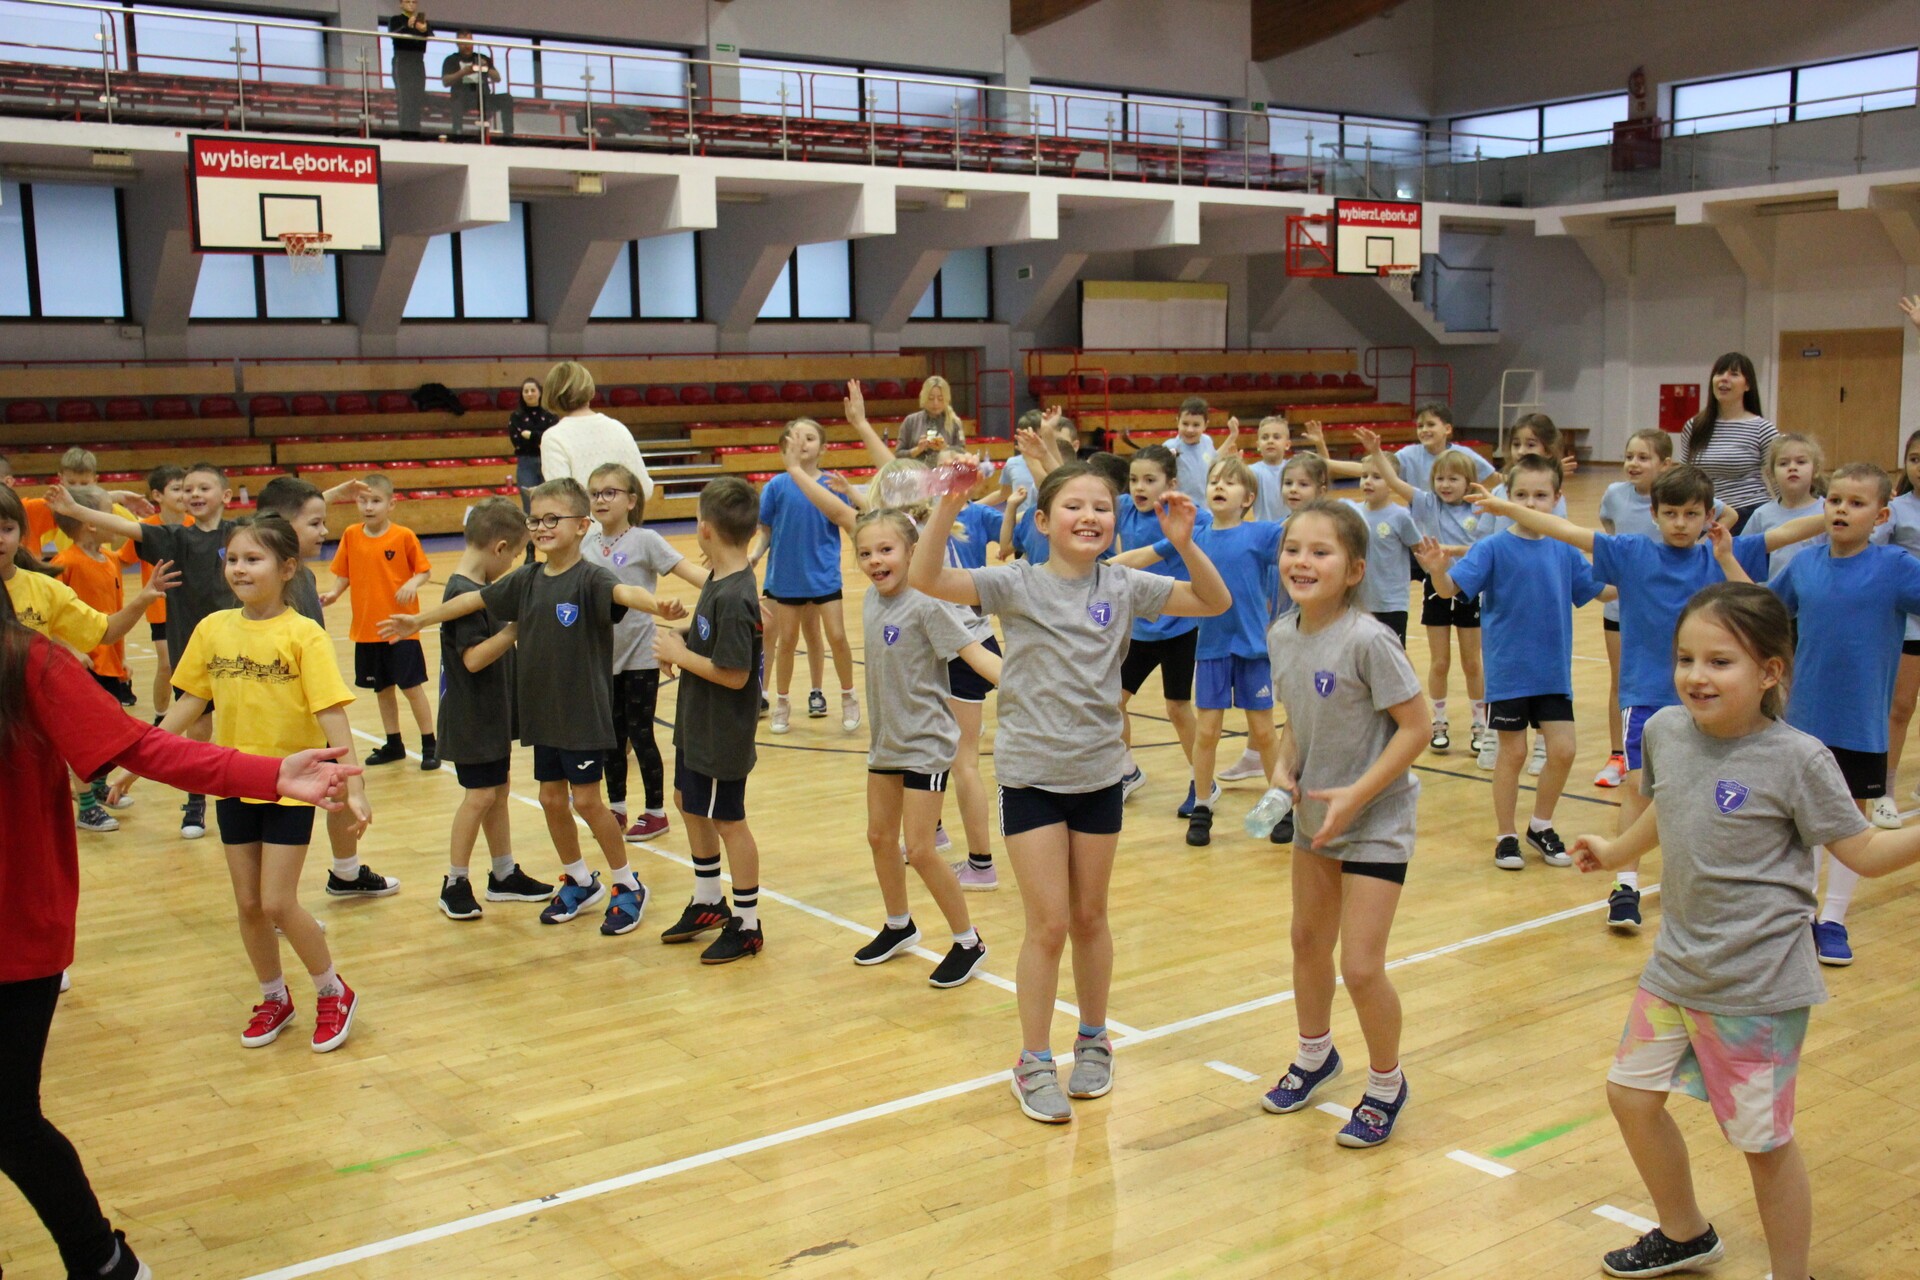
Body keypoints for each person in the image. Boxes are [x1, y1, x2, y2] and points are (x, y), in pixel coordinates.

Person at [0, 583, 361, 1280]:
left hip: (15, 932)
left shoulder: (28, 662)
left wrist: (270, 773)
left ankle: (104, 1262)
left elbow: (146, 747)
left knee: (10, 1120)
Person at [1568, 582, 1920, 1280]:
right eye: (1686, 658)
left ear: (1769, 673)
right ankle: (1685, 1233)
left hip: (1757, 987)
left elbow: (1866, 853)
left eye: (1720, 661)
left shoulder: (1799, 759)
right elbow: (1668, 804)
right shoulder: (1667, 731)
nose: (1697, 676)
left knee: (1762, 1142)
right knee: (1630, 1096)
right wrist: (1616, 852)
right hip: (1676, 968)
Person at [909, 459, 1230, 1124]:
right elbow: (927, 577)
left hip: (1099, 777)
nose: (1090, 516)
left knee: (1090, 918)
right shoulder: (1017, 582)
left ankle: (1093, 1039)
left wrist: (1183, 542)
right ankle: (1032, 1061)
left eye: (1102, 507)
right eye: (1074, 506)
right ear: (1044, 521)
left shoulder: (1125, 584)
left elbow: (1213, 602)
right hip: (1031, 776)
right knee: (1049, 924)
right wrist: (948, 505)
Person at [1473, 464, 1824, 931]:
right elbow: (1565, 530)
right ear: (1654, 514)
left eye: (1691, 514)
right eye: (1671, 513)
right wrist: (1506, 507)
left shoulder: (1721, 553)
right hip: (1646, 693)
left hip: (1711, 697)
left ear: (1708, 516)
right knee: (1641, 787)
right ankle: (1625, 884)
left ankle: (1708, 879)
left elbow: (1783, 535)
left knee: (1714, 791)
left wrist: (1837, 513)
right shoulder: (1632, 552)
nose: (1680, 523)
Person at [380, 478, 685, 937]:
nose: (541, 527)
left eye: (552, 519)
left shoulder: (592, 578)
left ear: (582, 526)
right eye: (535, 519)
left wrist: (658, 604)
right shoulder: (526, 579)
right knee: (550, 799)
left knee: (587, 801)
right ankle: (579, 878)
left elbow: (625, 594)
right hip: (545, 715)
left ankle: (627, 882)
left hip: (583, 714)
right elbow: (471, 599)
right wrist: (418, 620)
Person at [126, 518, 371, 1053]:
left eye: (253, 559)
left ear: (287, 569)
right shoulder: (213, 628)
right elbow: (190, 702)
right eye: (232, 559)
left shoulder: (303, 634)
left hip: (293, 786)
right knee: (248, 902)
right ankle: (273, 996)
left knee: (278, 902)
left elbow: (331, 711)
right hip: (233, 780)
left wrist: (355, 786)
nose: (239, 569)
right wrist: (136, 758)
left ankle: (333, 990)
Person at [1259, 501, 1429, 1149]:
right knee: (1307, 941)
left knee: (1360, 966)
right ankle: (1315, 1055)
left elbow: (1416, 728)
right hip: (1316, 818)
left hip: (1377, 819)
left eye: (1320, 552)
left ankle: (1386, 1084)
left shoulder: (1369, 640)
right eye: (1293, 549)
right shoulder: (1282, 635)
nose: (1302, 562)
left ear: (1355, 570)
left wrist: (1357, 795)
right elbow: (1298, 724)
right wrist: (1284, 768)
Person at [1417, 455, 1608, 871]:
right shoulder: (1492, 547)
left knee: (1564, 750)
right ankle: (1506, 834)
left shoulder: (1564, 548)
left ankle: (1541, 825)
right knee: (1513, 753)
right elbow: (1450, 590)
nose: (1531, 503)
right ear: (1506, 498)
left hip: (1553, 672)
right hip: (1509, 673)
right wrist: (1437, 571)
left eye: (1540, 495)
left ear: (1557, 498)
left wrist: (1643, 572)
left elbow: (1601, 592)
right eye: (1521, 494)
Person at [1770, 462, 1920, 967]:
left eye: (1856, 504)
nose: (1842, 510)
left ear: (1881, 515)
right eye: (1835, 500)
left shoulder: (1896, 567)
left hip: (1861, 722)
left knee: (1851, 821)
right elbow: (1764, 610)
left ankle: (1833, 918)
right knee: (1800, 820)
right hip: (1803, 719)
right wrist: (1724, 559)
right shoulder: (1805, 565)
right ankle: (1800, 912)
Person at [843, 506, 999, 986]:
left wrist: (1026, 685)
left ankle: (968, 941)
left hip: (926, 744)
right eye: (865, 553)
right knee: (879, 838)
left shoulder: (929, 604)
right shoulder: (871, 600)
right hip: (886, 743)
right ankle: (899, 925)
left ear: (912, 552)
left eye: (886, 550)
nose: (875, 560)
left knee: (921, 848)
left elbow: (976, 654)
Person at [49, 461, 238, 840]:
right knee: (198, 724)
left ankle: (245, 793)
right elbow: (125, 527)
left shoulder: (243, 533)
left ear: (226, 496)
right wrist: (75, 510)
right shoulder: (174, 537)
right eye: (188, 489)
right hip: (191, 646)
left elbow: (292, 517)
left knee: (242, 722)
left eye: (204, 488)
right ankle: (196, 800)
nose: (194, 494)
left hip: (240, 645)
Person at [1114, 455, 1280, 847]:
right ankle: (1203, 803)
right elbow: (1143, 558)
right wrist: (1099, 572)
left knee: (1263, 731)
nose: (1219, 486)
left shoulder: (1263, 534)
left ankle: (1281, 803)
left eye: (1230, 482)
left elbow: (1301, 547)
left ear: (1248, 498)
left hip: (1254, 650)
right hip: (1211, 650)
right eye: (1214, 480)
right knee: (1206, 732)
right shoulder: (1195, 535)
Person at [251, 475, 401, 903]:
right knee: (278, 808)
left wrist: (326, 497)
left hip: (313, 709)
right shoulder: (267, 587)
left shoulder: (301, 575)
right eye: (315, 523)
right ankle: (272, 906)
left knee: (338, 784)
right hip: (278, 719)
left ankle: (346, 874)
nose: (325, 530)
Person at [653, 478, 767, 964]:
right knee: (687, 800)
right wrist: (682, 639)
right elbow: (713, 640)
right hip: (698, 722)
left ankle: (748, 924)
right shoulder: (718, 580)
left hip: (722, 732)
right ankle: (707, 901)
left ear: (704, 529)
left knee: (728, 820)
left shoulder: (735, 595)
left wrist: (681, 654)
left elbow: (735, 674)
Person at [430, 498, 555, 921]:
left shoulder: (478, 588)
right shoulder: (463, 593)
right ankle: (454, 882)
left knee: (498, 790)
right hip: (472, 718)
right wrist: (516, 629)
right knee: (481, 795)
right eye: (516, 554)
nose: (515, 562)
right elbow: (472, 659)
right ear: (500, 548)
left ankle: (503, 873)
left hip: (491, 713)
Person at [586, 462, 708, 842]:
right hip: (601, 657)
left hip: (640, 655)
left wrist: (732, 585)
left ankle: (656, 811)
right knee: (610, 737)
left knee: (640, 733)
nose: (601, 499)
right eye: (595, 493)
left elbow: (689, 571)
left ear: (631, 500)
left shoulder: (646, 540)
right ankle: (617, 807)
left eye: (610, 492)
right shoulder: (585, 543)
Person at [1359, 427, 1493, 756]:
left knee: (1472, 662)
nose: (1445, 485)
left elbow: (1484, 550)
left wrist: (1453, 550)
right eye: (1440, 479)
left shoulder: (1479, 510)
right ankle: (1439, 721)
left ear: (1469, 483)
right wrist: (1376, 453)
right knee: (1440, 661)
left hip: (1469, 589)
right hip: (1436, 587)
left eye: (1453, 479)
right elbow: (1395, 481)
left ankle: (1480, 724)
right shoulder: (1427, 504)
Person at [1112, 444, 1207, 818]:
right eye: (1134, 479)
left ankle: (1203, 782)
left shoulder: (1185, 517)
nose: (1139, 486)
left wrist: (1105, 570)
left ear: (1171, 484)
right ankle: (1127, 771)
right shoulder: (1124, 509)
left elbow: (1141, 559)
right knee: (1114, 699)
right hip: (1139, 628)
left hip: (1179, 627)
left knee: (1178, 708)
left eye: (1149, 480)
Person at [753, 417, 860, 735]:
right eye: (795, 437)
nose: (801, 443)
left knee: (836, 636)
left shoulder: (832, 486)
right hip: (787, 577)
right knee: (787, 641)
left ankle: (848, 696)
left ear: (823, 448)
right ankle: (782, 702)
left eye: (809, 438)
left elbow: (848, 522)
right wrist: (755, 554)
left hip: (824, 575)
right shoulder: (776, 486)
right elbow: (766, 530)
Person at [325, 475, 438, 770]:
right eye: (363, 501)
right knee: (382, 690)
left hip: (401, 628)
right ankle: (394, 744)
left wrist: (413, 582)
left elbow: (424, 571)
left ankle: (430, 744)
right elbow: (345, 572)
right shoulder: (351, 534)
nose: (368, 507)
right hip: (367, 630)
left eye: (375, 501)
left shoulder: (403, 536)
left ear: (391, 504)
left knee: (411, 688)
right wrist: (334, 593)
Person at [1681, 352, 1776, 530]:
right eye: (1719, 373)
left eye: (1734, 374)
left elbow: (1777, 479)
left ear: (1747, 385)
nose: (1724, 379)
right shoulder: (1694, 426)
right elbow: (1685, 475)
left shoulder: (1762, 428)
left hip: (1749, 513)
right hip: (1706, 513)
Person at [537, 361, 655, 503]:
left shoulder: (553, 437)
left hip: (584, 518)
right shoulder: (618, 428)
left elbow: (562, 500)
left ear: (551, 394)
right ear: (588, 389)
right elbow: (644, 490)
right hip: (622, 517)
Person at [122, 464, 187, 718]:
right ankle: (160, 716)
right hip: (161, 609)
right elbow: (121, 560)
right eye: (177, 489)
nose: (184, 494)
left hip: (194, 607)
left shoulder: (197, 524)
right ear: (157, 495)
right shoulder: (145, 530)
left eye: (187, 489)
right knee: (167, 664)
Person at [1883, 429, 1920, 819]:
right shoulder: (1895, 510)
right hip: (1910, 624)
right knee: (1901, 707)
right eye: (1914, 458)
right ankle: (1886, 789)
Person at [1342, 466, 1422, 645]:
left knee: (1392, 655)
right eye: (1364, 476)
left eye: (1377, 477)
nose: (1368, 481)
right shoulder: (1352, 514)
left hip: (1391, 604)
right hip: (1358, 602)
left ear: (1392, 483)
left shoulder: (1401, 516)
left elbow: (1419, 552)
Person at [1743, 432, 1827, 582]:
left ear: (1815, 470)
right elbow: (1744, 554)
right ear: (1772, 474)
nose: (1792, 467)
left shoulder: (1828, 510)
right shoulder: (1762, 515)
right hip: (1773, 593)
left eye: (1801, 462)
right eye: (1783, 463)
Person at [1121, 397, 1239, 504]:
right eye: (1185, 424)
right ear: (1178, 422)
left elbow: (1214, 459)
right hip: (1179, 506)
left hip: (1205, 505)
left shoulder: (1207, 441)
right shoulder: (1170, 446)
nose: (1190, 429)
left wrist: (1232, 436)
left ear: (1205, 425)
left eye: (1196, 425)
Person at [509, 376, 556, 562]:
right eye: (526, 391)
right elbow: (517, 441)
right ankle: (530, 551)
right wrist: (540, 437)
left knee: (551, 507)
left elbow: (552, 439)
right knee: (529, 509)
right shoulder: (516, 417)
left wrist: (532, 436)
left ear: (539, 392)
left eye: (532, 390)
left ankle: (553, 551)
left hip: (547, 462)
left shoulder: (550, 415)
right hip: (526, 463)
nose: (529, 393)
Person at [441, 30, 512, 138]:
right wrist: (462, 73)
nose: (467, 46)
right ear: (457, 44)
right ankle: (457, 133)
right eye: (463, 43)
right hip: (462, 97)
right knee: (456, 100)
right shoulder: (451, 60)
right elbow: (445, 81)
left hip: (484, 97)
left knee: (506, 98)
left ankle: (508, 134)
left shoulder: (482, 58)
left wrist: (486, 68)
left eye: (469, 42)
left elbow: (497, 78)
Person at [386, 0, 432, 136]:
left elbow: (430, 35)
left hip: (418, 62)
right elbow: (393, 34)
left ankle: (415, 130)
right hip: (402, 61)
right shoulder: (396, 20)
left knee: (417, 98)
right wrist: (407, 26)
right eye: (407, 1)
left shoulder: (422, 21)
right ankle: (404, 131)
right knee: (405, 98)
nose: (411, 4)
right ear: (401, 4)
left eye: (414, 2)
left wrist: (424, 29)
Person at [895, 374, 967, 457]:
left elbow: (962, 452)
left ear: (946, 400)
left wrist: (945, 448)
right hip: (916, 465)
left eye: (940, 399)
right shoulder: (910, 421)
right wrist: (918, 449)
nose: (935, 403)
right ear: (924, 398)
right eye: (931, 398)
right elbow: (898, 454)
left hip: (944, 465)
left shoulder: (955, 422)